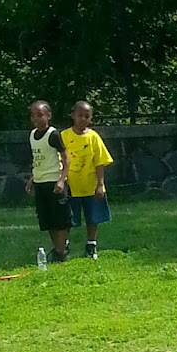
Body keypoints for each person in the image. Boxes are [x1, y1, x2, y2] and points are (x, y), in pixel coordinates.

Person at [61, 101, 112, 259]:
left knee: (93, 217)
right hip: (71, 186)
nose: (83, 119)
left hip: (90, 185)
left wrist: (100, 184)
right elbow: (59, 159)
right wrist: (62, 179)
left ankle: (91, 245)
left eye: (86, 116)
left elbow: (100, 161)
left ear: (91, 118)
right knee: (67, 217)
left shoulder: (93, 137)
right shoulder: (64, 136)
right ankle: (63, 245)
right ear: (73, 115)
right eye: (80, 115)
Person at [26, 100, 71, 261]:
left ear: (48, 116)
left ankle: (61, 251)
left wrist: (61, 180)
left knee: (60, 220)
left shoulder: (53, 135)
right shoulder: (32, 135)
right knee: (48, 221)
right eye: (33, 115)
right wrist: (32, 179)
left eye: (40, 115)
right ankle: (58, 249)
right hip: (40, 183)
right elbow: (38, 160)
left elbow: (66, 159)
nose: (36, 119)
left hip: (54, 182)